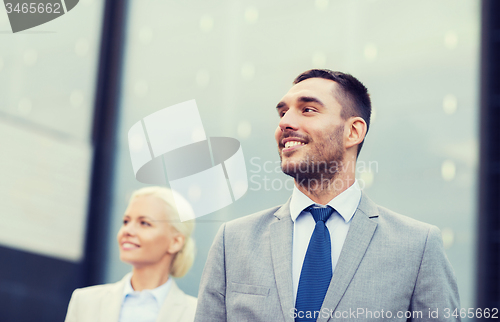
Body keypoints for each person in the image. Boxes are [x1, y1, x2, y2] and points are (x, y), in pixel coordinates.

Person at [194, 69, 460, 322]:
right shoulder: (233, 242)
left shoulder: (418, 246)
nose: (285, 122)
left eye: (308, 109)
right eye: (283, 112)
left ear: (353, 131)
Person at [65, 186, 197, 322]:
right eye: (126, 221)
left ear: (175, 242)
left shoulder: (197, 314)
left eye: (144, 223)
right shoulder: (85, 301)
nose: (127, 230)